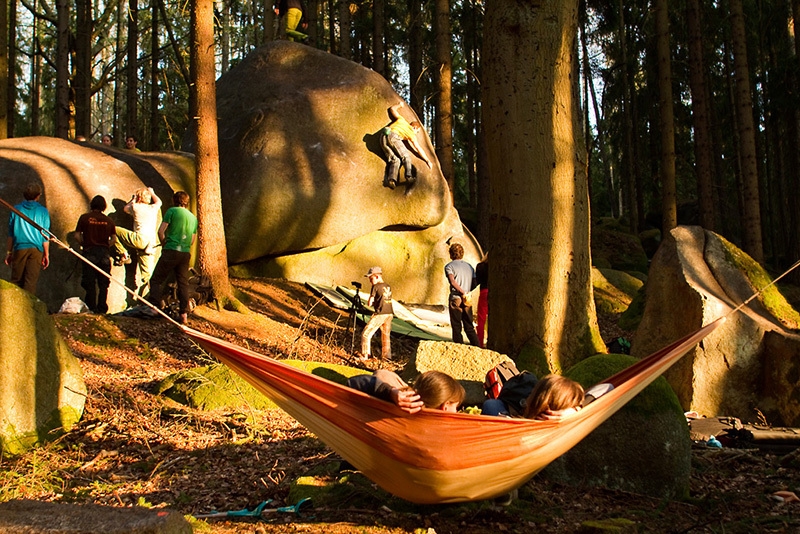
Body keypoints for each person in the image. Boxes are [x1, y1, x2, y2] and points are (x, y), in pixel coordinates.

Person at [146, 191, 198, 324]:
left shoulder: (172, 212)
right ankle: (184, 314)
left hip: (171, 250)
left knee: (156, 279)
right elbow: (192, 240)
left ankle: (154, 307)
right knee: (183, 283)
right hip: (185, 253)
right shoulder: (193, 218)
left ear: (174, 200)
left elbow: (161, 231)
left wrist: (164, 244)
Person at [347, 369, 465, 414]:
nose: (457, 411)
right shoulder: (444, 435)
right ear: (445, 406)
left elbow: (353, 383)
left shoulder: (393, 410)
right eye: (456, 406)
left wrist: (389, 392)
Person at [113, 186, 162, 294]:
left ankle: (123, 253)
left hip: (139, 239)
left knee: (113, 230)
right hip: (150, 244)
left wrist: (134, 199)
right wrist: (152, 192)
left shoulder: (135, 207)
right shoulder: (153, 208)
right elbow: (159, 202)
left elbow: (126, 208)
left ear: (139, 198)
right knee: (148, 275)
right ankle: (153, 298)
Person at [5, 183, 51, 295]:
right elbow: (45, 235)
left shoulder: (16, 209)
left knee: (16, 280)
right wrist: (46, 254)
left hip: (19, 247)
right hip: (36, 249)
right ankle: (29, 308)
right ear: (38, 196)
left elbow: (10, 234)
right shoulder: (43, 211)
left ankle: (15, 306)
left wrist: (8, 252)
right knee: (30, 281)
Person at [75, 196, 116, 313]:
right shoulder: (109, 221)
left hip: (89, 252)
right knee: (104, 283)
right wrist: (106, 245)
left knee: (90, 282)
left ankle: (91, 307)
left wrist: (84, 244)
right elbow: (114, 239)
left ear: (92, 204)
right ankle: (102, 308)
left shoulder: (84, 218)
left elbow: (77, 235)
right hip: (104, 254)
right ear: (104, 206)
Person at [380, 102, 432, 190]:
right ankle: (408, 176)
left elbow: (392, 109)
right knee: (406, 157)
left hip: (383, 137)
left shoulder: (401, 120)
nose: (417, 133)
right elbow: (418, 148)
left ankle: (391, 180)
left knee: (395, 160)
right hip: (394, 136)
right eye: (417, 131)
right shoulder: (411, 133)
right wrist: (427, 160)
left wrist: (399, 105)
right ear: (415, 128)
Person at [444, 242, 479, 345]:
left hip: (456, 298)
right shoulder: (470, 267)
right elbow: (475, 282)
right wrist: (467, 291)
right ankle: (477, 347)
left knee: (456, 326)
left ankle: (459, 347)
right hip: (467, 298)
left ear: (451, 254)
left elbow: (452, 281)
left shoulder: (449, 266)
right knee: (469, 326)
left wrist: (461, 292)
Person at [358, 266, 394, 361]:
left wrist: (371, 304)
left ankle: (365, 355)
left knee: (366, 333)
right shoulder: (388, 286)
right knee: (385, 335)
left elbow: (370, 302)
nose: (370, 281)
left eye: (371, 278)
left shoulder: (375, 287)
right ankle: (387, 357)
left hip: (380, 313)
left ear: (377, 276)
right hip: (389, 313)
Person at [475, 253, 489, 348]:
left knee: (481, 318)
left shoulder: (481, 267)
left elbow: (477, 281)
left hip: (484, 291)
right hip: (496, 292)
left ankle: (479, 342)